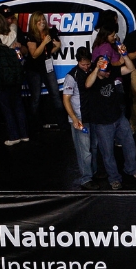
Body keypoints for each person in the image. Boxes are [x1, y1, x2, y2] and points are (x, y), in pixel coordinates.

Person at [84, 53, 136, 189]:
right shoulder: (92, 77)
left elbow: (130, 68)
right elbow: (87, 84)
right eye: (105, 72)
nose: (108, 74)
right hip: (102, 123)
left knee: (130, 144)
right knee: (108, 153)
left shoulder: (110, 72)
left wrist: (125, 55)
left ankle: (132, 169)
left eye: (109, 71)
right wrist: (96, 68)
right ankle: (114, 178)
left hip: (118, 117)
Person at [0, 11, 29, 147]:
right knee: (18, 104)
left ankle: (14, 136)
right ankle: (24, 134)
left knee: (7, 107)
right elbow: (14, 21)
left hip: (2, 77)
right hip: (15, 75)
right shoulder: (13, 33)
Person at [61, 48, 98, 190]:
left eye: (88, 64)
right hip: (80, 118)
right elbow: (66, 99)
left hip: (92, 115)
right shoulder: (72, 76)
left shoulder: (92, 71)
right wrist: (74, 119)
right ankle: (86, 178)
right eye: (83, 64)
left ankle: (93, 172)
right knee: (84, 151)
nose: (86, 67)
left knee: (94, 147)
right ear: (78, 62)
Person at [23, 11, 63, 132]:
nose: (42, 22)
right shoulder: (31, 36)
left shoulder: (49, 32)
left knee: (55, 94)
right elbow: (34, 54)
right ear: (34, 23)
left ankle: (62, 123)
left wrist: (57, 46)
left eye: (43, 19)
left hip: (47, 67)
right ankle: (33, 126)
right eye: (39, 20)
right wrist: (44, 42)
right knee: (35, 98)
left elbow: (50, 50)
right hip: (34, 69)